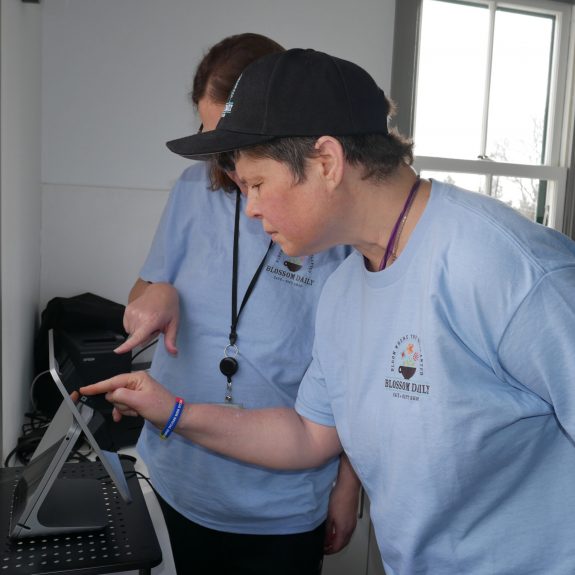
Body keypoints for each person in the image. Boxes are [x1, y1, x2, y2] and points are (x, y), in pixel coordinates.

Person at [82, 48, 575, 574]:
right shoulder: (345, 287)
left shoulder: (510, 269)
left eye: (257, 184)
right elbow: (308, 435)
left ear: (326, 162)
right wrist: (173, 411)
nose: (249, 207)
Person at [113, 37, 359, 575]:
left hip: (280, 501)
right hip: (178, 479)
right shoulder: (189, 191)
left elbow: (350, 375)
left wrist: (348, 483)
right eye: (210, 138)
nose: (221, 160)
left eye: (231, 143)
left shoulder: (333, 226)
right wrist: (158, 295)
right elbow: (142, 295)